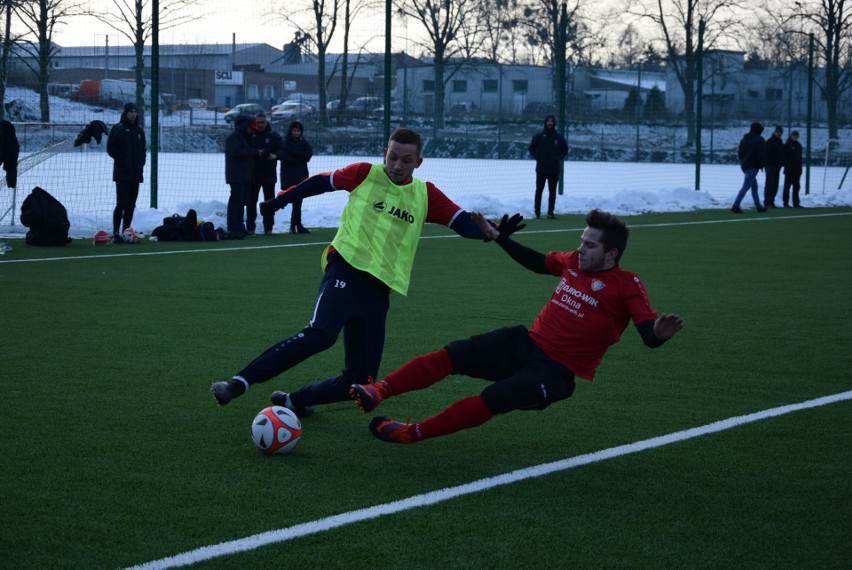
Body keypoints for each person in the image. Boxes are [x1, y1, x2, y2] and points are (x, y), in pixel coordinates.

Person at [210, 127, 522, 414]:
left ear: (419, 162)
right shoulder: (364, 174)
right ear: (385, 153)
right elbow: (321, 181)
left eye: (406, 160)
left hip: (378, 292)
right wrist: (282, 199)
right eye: (392, 157)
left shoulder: (425, 195)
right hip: (345, 271)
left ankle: (294, 401)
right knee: (320, 335)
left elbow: (463, 222)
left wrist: (491, 230)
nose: (397, 165)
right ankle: (238, 384)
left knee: (360, 381)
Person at [350, 209, 684, 444]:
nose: (581, 248)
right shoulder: (573, 262)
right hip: (526, 342)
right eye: (582, 241)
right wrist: (499, 238)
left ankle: (412, 433)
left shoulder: (627, 285)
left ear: (611, 254)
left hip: (557, 372)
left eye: (590, 245)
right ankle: (380, 390)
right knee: (453, 355)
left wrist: (658, 334)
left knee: (495, 397)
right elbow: (538, 262)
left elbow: (646, 333)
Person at [107, 102, 146, 242]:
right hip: (122, 174)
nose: (133, 114)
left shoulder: (139, 131)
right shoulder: (118, 129)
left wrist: (141, 163)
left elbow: (143, 150)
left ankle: (126, 231)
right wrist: (123, 161)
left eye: (135, 111)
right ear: (125, 113)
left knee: (131, 204)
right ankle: (116, 232)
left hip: (136, 174)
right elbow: (111, 149)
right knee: (121, 203)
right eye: (131, 111)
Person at [224, 114, 263, 239]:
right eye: (250, 127)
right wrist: (255, 152)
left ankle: (239, 227)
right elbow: (237, 152)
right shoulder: (235, 137)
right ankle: (233, 228)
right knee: (237, 201)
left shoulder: (242, 137)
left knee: (241, 202)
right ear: (244, 126)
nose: (251, 130)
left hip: (243, 175)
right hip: (237, 175)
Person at [247, 113, 283, 235]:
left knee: (269, 202)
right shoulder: (249, 135)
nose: (260, 124)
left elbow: (283, 151)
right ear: (255, 123)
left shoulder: (273, 136)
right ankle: (250, 228)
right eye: (258, 122)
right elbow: (244, 150)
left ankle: (268, 228)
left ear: (267, 122)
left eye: (263, 122)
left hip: (269, 175)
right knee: (251, 202)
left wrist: (276, 155)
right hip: (253, 175)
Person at [528, 115, 568, 219]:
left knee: (552, 191)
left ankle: (550, 212)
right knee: (539, 190)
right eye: (548, 121)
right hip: (541, 168)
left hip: (554, 169)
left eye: (552, 121)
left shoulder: (558, 137)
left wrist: (559, 157)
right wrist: (537, 157)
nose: (550, 123)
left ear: (554, 123)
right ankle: (537, 212)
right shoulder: (539, 136)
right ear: (545, 123)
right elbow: (531, 148)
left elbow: (565, 149)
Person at [280, 120, 313, 234]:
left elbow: (307, 156)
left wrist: (294, 154)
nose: (296, 132)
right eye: (294, 130)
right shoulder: (285, 143)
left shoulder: (304, 142)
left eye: (298, 130)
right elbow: (286, 157)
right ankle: (293, 225)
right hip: (289, 176)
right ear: (290, 131)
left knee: (298, 202)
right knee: (290, 200)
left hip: (301, 175)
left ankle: (295, 224)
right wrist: (300, 156)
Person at [731, 122, 768, 214]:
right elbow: (763, 154)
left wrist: (743, 161)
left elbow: (740, 153)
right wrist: (762, 163)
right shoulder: (760, 140)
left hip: (744, 165)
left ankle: (759, 206)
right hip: (754, 166)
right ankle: (735, 205)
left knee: (753, 186)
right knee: (746, 186)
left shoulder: (744, 139)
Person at [764, 125, 785, 208]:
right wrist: (768, 164)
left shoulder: (780, 141)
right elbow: (766, 154)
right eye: (777, 132)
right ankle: (767, 202)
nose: (779, 133)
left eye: (780, 132)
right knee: (769, 184)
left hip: (777, 167)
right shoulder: (770, 141)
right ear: (775, 132)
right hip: (770, 166)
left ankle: (771, 201)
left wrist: (781, 163)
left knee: (775, 185)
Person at [782, 130, 804, 208]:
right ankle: (785, 203)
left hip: (797, 170)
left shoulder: (799, 145)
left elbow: (800, 158)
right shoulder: (787, 145)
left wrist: (800, 169)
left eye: (796, 135)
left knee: (796, 187)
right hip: (789, 169)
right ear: (791, 136)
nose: (795, 137)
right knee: (787, 187)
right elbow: (784, 157)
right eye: (794, 135)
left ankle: (796, 203)